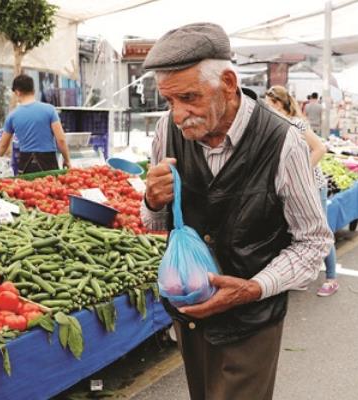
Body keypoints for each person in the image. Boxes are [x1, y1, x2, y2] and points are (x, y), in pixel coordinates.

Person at [140, 23, 333, 399]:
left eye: (189, 98)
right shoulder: (167, 130)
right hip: (191, 312)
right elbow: (156, 223)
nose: (179, 114)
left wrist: (254, 288)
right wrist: (153, 200)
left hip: (252, 320)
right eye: (169, 101)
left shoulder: (283, 141)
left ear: (228, 83)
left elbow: (313, 241)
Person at [265, 86, 339, 296]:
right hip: (293, 188)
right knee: (297, 230)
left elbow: (320, 149)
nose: (267, 109)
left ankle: (332, 278)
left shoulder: (296, 124)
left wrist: (301, 174)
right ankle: (302, 276)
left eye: (270, 105)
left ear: (279, 104)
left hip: (313, 186)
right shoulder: (276, 126)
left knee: (319, 230)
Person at [0, 74, 71, 174]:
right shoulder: (49, 110)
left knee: (28, 189)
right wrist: (67, 160)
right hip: (48, 162)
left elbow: (3, 145)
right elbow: (61, 140)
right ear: (33, 90)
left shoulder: (12, 116)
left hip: (26, 163)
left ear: (17, 92)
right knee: (51, 188)